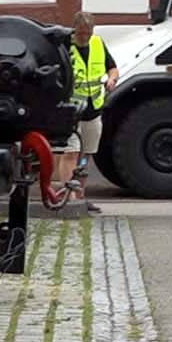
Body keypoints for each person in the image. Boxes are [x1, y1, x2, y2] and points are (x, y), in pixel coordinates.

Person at [63, 12, 117, 214]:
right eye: (81, 33)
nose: (84, 37)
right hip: (71, 112)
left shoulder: (97, 43)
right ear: (74, 30)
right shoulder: (65, 46)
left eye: (88, 33)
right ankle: (69, 197)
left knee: (86, 156)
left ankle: (81, 196)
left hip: (93, 111)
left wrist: (112, 79)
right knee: (71, 154)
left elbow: (112, 68)